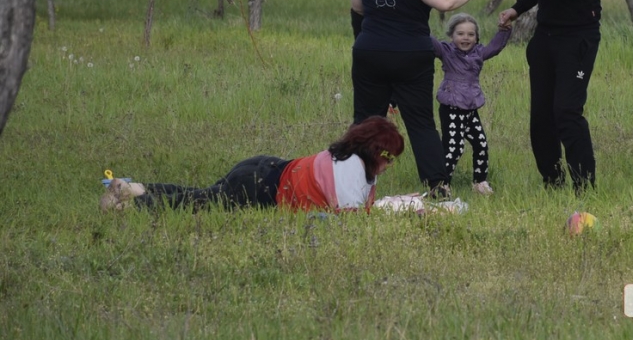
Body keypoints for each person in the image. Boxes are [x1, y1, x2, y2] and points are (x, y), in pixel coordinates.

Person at [351, 0, 490, 198]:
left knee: (366, 122)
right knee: (420, 123)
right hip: (410, 57)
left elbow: (357, 6)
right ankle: (437, 185)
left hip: (369, 53)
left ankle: (353, 184)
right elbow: (446, 1)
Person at [485, 0, 603, 192]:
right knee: (541, 115)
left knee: (566, 110)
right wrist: (518, 8)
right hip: (545, 38)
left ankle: (585, 187)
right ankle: (553, 183)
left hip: (577, 39)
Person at [99, 116, 404, 213]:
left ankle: (134, 188)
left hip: (264, 168)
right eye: (390, 157)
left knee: (199, 195)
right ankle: (129, 205)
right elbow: (349, 220)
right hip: (258, 188)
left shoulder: (348, 157)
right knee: (194, 205)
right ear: (376, 152)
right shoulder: (351, 169)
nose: (390, 164)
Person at [431, 13, 510, 195]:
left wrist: (504, 29)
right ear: (451, 36)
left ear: (476, 38)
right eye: (460, 34)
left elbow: (495, 47)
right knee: (454, 147)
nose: (465, 38)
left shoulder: (479, 53)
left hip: (470, 108)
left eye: (470, 34)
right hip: (451, 107)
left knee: (481, 143)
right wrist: (416, 21)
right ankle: (442, 184)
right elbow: (430, 42)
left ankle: (479, 183)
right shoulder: (446, 52)